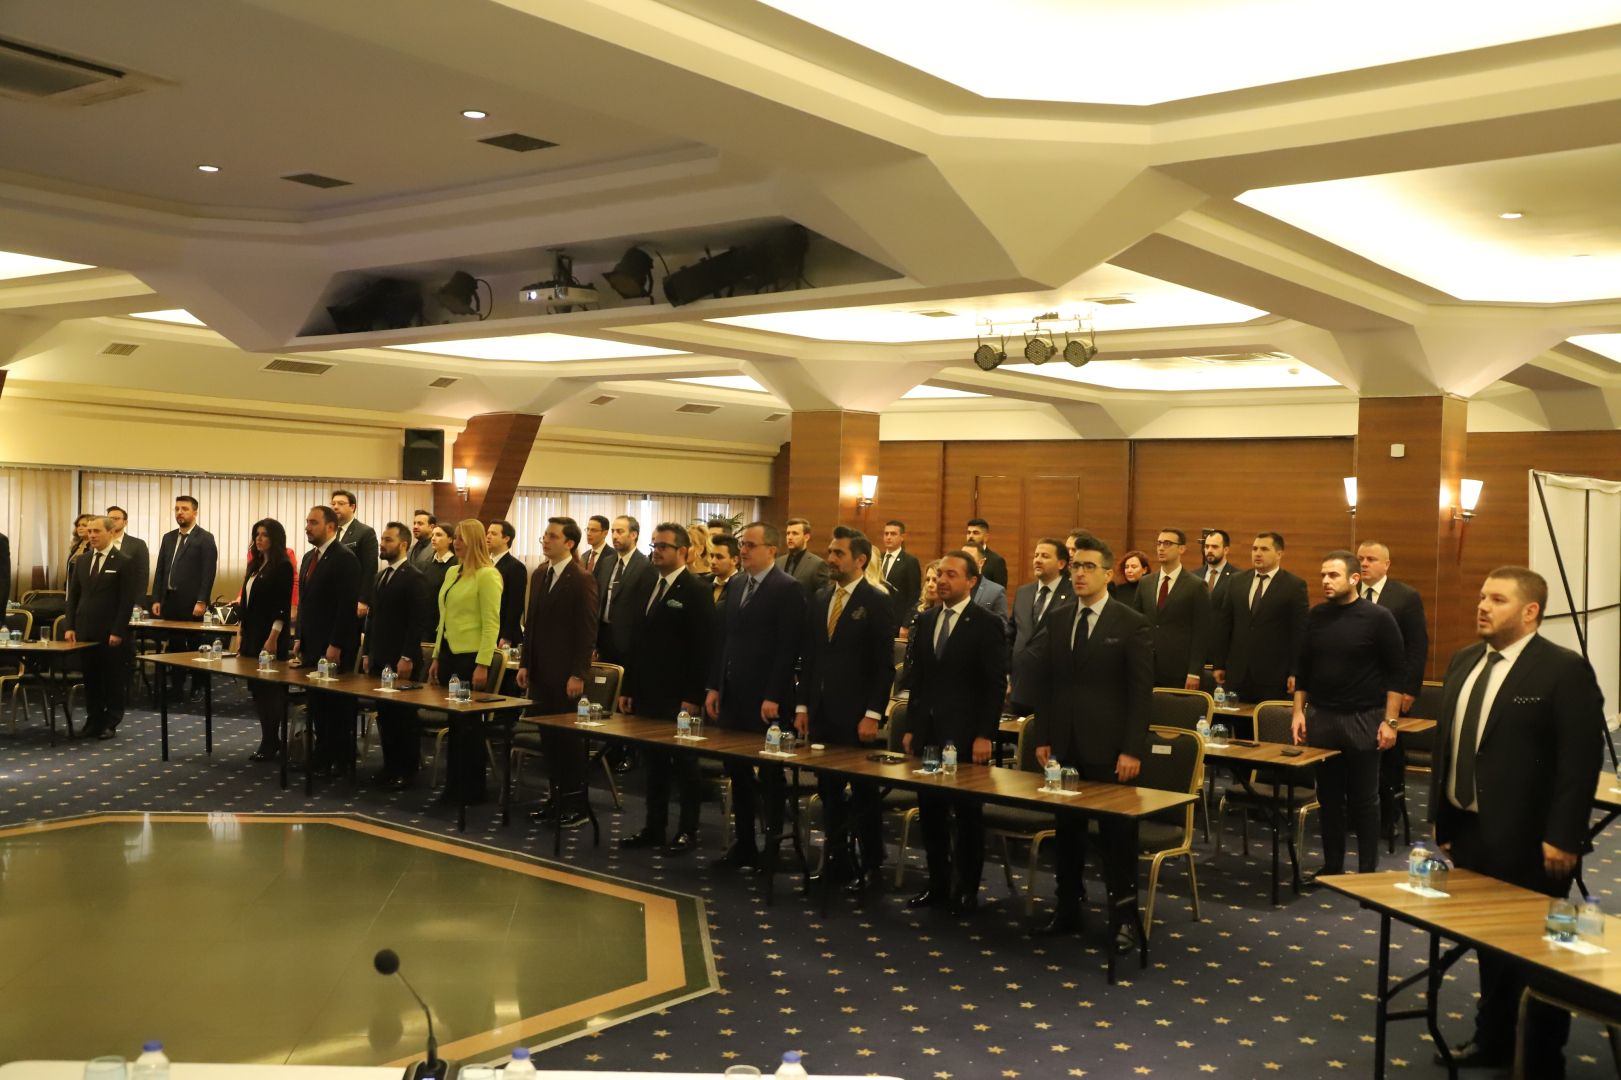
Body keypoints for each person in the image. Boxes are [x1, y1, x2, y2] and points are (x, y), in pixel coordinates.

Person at [1429, 567, 1604, 1076]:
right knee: (1491, 948)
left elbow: (1580, 761)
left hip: (1534, 841)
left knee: (1537, 953)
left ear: (1530, 612)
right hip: (1469, 831)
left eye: (1498, 599)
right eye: (1482, 596)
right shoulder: (1465, 660)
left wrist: (1564, 836)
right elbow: (1449, 745)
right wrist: (1442, 820)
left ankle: (1542, 1058)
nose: (1483, 606)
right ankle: (1494, 1040)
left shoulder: (1563, 669)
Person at [1025, 531, 1153, 950]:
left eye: (1088, 567)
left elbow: (1140, 693)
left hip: (1112, 749)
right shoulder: (1060, 618)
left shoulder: (1130, 621)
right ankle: (1067, 908)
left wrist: (1132, 749)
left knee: (1117, 839)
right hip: (1064, 746)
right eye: (1076, 566)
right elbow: (1047, 682)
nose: (1079, 574)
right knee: (1067, 835)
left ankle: (1124, 919)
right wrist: (1043, 736)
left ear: (1108, 574)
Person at [902, 550, 1008, 915]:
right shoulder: (927, 618)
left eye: (951, 575)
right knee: (930, 813)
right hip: (928, 734)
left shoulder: (986, 622)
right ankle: (937, 883)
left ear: (971, 582)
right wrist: (912, 729)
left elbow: (994, 685)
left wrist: (985, 735)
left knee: (967, 816)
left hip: (966, 736)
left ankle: (967, 888)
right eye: (939, 574)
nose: (941, 581)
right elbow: (919, 680)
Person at [1290, 550, 1405, 880]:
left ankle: (1367, 872)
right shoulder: (1316, 616)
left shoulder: (1378, 617)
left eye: (1333, 575)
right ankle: (1333, 867)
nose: (1325, 581)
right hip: (1322, 717)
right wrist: (1298, 712)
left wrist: (1390, 722)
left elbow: (1397, 674)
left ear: (1354, 579)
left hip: (1364, 718)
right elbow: (1303, 669)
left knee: (1364, 800)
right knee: (1328, 799)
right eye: (1323, 575)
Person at [796, 526, 897, 892]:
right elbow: (811, 656)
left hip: (857, 717)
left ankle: (872, 864)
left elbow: (883, 666)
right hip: (821, 712)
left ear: (860, 559)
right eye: (830, 552)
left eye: (839, 553)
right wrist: (803, 705)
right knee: (830, 791)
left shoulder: (876, 599)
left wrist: (873, 715)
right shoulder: (822, 596)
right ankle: (838, 860)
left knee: (864, 794)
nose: (830, 559)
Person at [705, 521, 806, 870]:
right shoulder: (736, 584)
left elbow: (789, 648)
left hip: (767, 701)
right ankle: (745, 843)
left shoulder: (787, 588)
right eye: (742, 545)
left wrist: (773, 695)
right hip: (733, 695)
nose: (743, 550)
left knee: (770, 776)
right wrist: (715, 685)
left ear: (771, 551)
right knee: (738, 772)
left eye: (750, 545)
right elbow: (725, 640)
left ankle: (773, 848)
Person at [619, 523, 713, 853]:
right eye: (654, 546)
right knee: (654, 766)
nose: (655, 552)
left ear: (682, 552)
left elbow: (703, 648)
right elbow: (636, 640)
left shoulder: (696, 589)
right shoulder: (648, 584)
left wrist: (693, 696)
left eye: (663, 547)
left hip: (679, 696)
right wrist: (628, 687)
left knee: (685, 766)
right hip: (647, 693)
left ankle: (688, 830)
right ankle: (653, 827)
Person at [519, 517, 599, 827]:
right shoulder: (540, 573)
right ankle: (555, 798)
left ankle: (575, 804)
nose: (545, 540)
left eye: (552, 536)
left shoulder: (581, 578)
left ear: (569, 543)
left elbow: (587, 630)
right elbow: (532, 623)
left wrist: (579, 673)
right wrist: (525, 663)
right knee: (549, 741)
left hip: (567, 676)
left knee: (569, 743)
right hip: (541, 672)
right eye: (545, 535)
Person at [1357, 540, 1431, 841]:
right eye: (1360, 559)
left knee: (1387, 757)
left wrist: (1408, 689)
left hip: (1391, 690)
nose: (1364, 564)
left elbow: (1417, 645)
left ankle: (1388, 817)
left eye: (1371, 559)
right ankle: (1357, 814)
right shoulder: (1350, 593)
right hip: (1355, 691)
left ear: (1386, 564)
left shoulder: (1405, 596)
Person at [429, 519, 502, 804]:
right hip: (450, 654)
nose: (456, 542)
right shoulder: (452, 572)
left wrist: (483, 663)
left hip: (471, 659)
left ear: (474, 541)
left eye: (461, 538)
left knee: (469, 726)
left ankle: (472, 789)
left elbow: (491, 624)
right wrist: (436, 655)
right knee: (455, 723)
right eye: (455, 538)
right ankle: (453, 786)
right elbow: (443, 617)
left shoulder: (488, 575)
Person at [294, 506, 361, 775]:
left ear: (330, 527)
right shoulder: (309, 557)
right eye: (307, 522)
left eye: (314, 523)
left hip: (334, 646)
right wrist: (299, 637)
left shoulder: (344, 558)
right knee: (318, 706)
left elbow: (346, 607)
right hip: (312, 644)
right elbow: (304, 603)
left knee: (337, 708)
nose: (307, 528)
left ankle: (341, 760)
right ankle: (322, 756)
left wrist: (336, 644)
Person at [367, 522, 435, 790]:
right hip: (379, 658)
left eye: (389, 540)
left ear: (403, 544)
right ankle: (389, 767)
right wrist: (368, 653)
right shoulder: (380, 576)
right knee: (385, 716)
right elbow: (373, 618)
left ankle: (406, 771)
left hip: (401, 659)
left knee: (403, 719)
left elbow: (417, 621)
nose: (382, 544)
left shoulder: (414, 577)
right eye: (382, 539)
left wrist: (407, 656)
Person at [62, 516, 139, 739]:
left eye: (97, 531)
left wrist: (118, 631)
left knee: (112, 679)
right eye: (90, 531)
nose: (92, 535)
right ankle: (93, 720)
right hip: (85, 630)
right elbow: (73, 597)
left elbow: (126, 602)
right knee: (91, 679)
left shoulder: (123, 561)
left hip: (111, 632)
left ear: (111, 532)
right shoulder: (83, 560)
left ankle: (111, 722)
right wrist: (70, 626)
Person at [1213, 532, 1309, 707]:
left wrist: (1296, 672)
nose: (1257, 553)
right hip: (1237, 674)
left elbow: (1300, 633)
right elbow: (1225, 624)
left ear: (1279, 554)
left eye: (1264, 549)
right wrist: (1219, 664)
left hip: (1274, 676)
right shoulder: (1236, 581)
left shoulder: (1294, 586)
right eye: (1255, 549)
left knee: (1267, 722)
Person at [238, 518, 295, 761]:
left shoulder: (282, 566)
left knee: (269, 690)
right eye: (256, 534)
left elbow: (282, 607)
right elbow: (246, 603)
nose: (258, 539)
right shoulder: (255, 564)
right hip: (252, 634)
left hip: (270, 636)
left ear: (275, 538)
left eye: (264, 535)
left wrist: (273, 638)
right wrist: (240, 633)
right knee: (257, 690)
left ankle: (271, 741)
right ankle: (269, 739)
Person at [152, 495, 220, 698]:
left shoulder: (205, 538)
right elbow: (160, 570)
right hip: (170, 601)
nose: (179, 512)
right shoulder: (168, 538)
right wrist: (156, 598)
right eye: (177, 509)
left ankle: (198, 686)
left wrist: (202, 600)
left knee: (196, 646)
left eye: (184, 509)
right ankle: (177, 686)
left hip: (193, 603)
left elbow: (208, 573)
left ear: (195, 513)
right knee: (175, 647)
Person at [1132, 527, 1211, 692]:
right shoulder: (1146, 582)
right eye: (1159, 543)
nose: (1161, 548)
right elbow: (1137, 624)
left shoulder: (1196, 585)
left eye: (1167, 544)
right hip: (1146, 665)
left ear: (1182, 549)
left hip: (1178, 668)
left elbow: (1202, 632)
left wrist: (1194, 672)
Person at [1009, 538, 1073, 714]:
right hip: (1020, 688)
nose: (1037, 560)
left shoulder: (1074, 594)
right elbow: (1011, 634)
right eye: (1036, 555)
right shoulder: (1023, 592)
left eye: (1045, 556)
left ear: (1061, 564)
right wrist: (1007, 676)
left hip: (1055, 690)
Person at [597, 515, 654, 665]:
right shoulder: (607, 562)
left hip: (629, 643)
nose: (614, 536)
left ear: (634, 535)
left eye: (620, 531)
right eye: (613, 531)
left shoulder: (645, 566)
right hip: (604, 638)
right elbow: (600, 600)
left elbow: (643, 609)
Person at [331, 490, 379, 620]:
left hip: (353, 598)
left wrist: (363, 599)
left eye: (341, 503)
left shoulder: (365, 532)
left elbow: (370, 568)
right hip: (331, 599)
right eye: (333, 503)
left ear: (352, 507)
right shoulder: (330, 531)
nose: (335, 507)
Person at [486, 520, 527, 650]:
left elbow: (515, 604)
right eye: (488, 533)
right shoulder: (484, 564)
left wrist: (507, 635)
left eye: (493, 534)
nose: (488, 536)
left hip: (502, 632)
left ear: (506, 539)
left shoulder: (515, 567)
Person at [105, 506, 150, 605]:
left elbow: (142, 576)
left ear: (125, 522)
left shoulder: (138, 544)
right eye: (109, 519)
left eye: (116, 518)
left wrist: (138, 603)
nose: (112, 521)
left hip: (127, 600)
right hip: (102, 600)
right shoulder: (100, 543)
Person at [775, 517, 830, 598]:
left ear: (806, 537)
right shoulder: (778, 562)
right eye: (788, 533)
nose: (790, 537)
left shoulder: (817, 564)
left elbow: (823, 597)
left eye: (795, 533)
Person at [879, 520, 922, 615]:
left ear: (902, 537)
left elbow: (914, 595)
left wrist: (907, 621)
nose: (888, 537)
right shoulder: (877, 558)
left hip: (897, 615)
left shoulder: (910, 561)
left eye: (893, 534)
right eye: (886, 534)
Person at [962, 539, 1007, 617]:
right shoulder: (953, 587)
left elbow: (1001, 622)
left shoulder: (996, 591)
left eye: (969, 558)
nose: (964, 562)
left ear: (981, 562)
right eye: (961, 558)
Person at [902, 559, 942, 639]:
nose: (930, 585)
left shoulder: (949, 613)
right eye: (927, 580)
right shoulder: (919, 609)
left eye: (935, 580)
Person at [965, 519, 1008, 588]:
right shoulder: (959, 557)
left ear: (985, 537)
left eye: (975, 533)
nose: (970, 536)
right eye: (968, 533)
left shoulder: (996, 561)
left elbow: (999, 590)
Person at [423, 523, 457, 598]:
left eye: (438, 535)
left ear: (450, 540)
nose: (433, 538)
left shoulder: (456, 563)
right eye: (432, 535)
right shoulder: (428, 563)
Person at [1200, 530, 1238, 596]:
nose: (1209, 550)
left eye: (1214, 547)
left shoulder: (1237, 577)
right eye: (1207, 546)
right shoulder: (1195, 575)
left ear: (1226, 550)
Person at [709, 534, 740, 605]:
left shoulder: (742, 587)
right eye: (712, 556)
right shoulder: (704, 582)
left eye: (719, 557)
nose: (713, 561)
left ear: (734, 560)